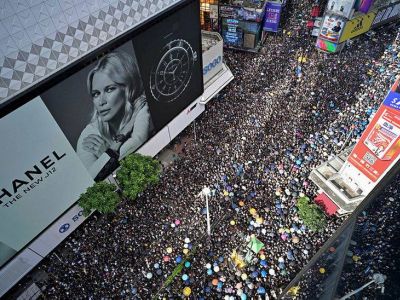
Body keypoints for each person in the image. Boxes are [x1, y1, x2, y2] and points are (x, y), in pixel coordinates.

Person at [77, 51, 153, 180]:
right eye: (96, 93)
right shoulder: (89, 134)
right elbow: (90, 179)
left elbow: (139, 139)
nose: (101, 102)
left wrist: (106, 156)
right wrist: (127, 127)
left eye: (109, 89)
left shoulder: (141, 105)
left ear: (127, 88)